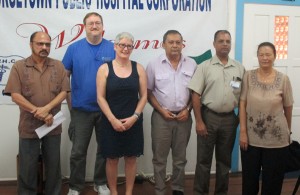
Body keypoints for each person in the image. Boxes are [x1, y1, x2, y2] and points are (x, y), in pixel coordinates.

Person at [3, 31, 70, 195]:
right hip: (29, 125)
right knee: (28, 165)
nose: (44, 47)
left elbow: (64, 91)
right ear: (31, 44)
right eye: (40, 44)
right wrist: (37, 111)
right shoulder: (19, 66)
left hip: (52, 123)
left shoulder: (58, 65)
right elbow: (15, 95)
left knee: (53, 164)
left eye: (47, 44)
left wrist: (46, 110)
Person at [62, 12, 115, 195]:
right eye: (91, 23)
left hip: (106, 110)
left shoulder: (113, 48)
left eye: (98, 23)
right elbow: (64, 78)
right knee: (78, 152)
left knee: (104, 149)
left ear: (102, 26)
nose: (94, 26)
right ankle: (75, 186)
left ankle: (100, 183)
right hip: (81, 110)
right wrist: (70, 105)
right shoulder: (73, 49)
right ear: (84, 27)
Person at [188, 30, 245, 195]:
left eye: (228, 41)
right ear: (214, 44)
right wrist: (199, 121)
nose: (225, 44)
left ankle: (221, 192)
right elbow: (195, 95)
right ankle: (200, 192)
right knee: (203, 161)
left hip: (229, 120)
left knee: (224, 162)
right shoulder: (204, 67)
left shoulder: (239, 68)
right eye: (221, 41)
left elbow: (239, 95)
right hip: (208, 118)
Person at [146, 30, 197, 195]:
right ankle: (160, 190)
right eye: (171, 42)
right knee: (159, 159)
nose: (175, 45)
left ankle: (178, 189)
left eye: (178, 42)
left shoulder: (192, 64)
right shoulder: (153, 64)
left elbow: (195, 92)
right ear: (163, 44)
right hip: (161, 117)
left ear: (182, 44)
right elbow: (148, 92)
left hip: (184, 117)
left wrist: (188, 109)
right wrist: (161, 110)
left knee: (180, 159)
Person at [239, 42, 293, 195]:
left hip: (276, 141)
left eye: (268, 54)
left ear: (275, 56)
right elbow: (242, 103)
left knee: (272, 183)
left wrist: (287, 131)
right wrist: (242, 132)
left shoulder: (283, 79)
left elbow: (288, 107)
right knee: (249, 182)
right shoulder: (248, 76)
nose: (264, 58)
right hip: (250, 139)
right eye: (261, 54)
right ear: (257, 56)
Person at [96, 32, 147, 195]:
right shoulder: (104, 69)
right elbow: (100, 98)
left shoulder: (139, 68)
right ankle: (114, 192)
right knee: (111, 159)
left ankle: (129, 192)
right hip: (110, 122)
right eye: (122, 45)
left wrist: (135, 117)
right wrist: (112, 120)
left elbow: (144, 96)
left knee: (131, 159)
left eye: (129, 46)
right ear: (115, 46)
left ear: (132, 48)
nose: (125, 48)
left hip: (134, 122)